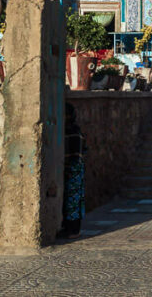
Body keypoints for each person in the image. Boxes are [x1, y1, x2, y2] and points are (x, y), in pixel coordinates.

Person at [59, 102, 85, 239]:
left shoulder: (73, 131)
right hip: (71, 169)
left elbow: (77, 153)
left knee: (73, 202)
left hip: (73, 170)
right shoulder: (69, 130)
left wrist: (71, 167)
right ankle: (68, 227)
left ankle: (73, 229)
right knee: (69, 201)